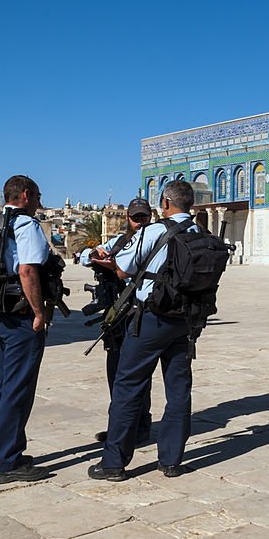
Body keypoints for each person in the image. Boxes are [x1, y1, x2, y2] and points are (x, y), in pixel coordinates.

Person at [89, 181, 197, 481]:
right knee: (178, 391)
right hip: (185, 321)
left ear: (165, 203)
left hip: (150, 319)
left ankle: (113, 463)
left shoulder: (154, 231)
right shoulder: (201, 234)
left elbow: (123, 270)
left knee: (128, 386)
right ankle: (172, 460)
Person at [0, 175, 51, 484]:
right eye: (37, 195)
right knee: (18, 388)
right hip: (20, 315)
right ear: (25, 195)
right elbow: (27, 269)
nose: (39, 201)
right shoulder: (26, 225)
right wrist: (38, 311)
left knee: (3, 383)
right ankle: (7, 463)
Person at [80, 197, 154, 445]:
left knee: (135, 374)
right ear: (128, 218)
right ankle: (121, 425)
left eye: (144, 217)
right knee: (116, 373)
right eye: (136, 218)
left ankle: (140, 425)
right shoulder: (121, 241)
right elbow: (85, 257)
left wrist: (117, 267)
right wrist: (93, 253)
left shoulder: (156, 240)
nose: (140, 222)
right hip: (116, 315)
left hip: (139, 313)